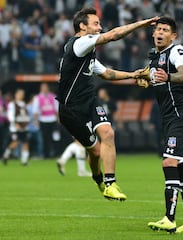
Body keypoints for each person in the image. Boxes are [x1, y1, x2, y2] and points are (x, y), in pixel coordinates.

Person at [56, 7, 159, 201]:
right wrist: (140, 24)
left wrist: (133, 75)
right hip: (71, 110)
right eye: (96, 24)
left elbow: (107, 74)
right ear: (82, 26)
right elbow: (112, 36)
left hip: (89, 101)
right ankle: (98, 179)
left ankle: (111, 183)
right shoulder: (79, 44)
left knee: (108, 133)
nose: (100, 27)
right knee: (94, 152)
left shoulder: (87, 52)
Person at [139, 17, 183, 233]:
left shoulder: (177, 51)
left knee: (169, 163)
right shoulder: (154, 58)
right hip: (170, 118)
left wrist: (168, 78)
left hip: (181, 117)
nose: (159, 32)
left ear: (173, 36)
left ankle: (169, 217)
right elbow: (153, 78)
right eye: (157, 29)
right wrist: (145, 79)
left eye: (165, 30)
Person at [2, 89, 30, 166]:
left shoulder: (23, 104)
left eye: (22, 94)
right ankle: (5, 155)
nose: (21, 95)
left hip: (24, 127)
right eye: (20, 94)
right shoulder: (12, 104)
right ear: (16, 95)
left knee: (25, 143)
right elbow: (10, 115)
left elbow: (26, 115)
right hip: (15, 128)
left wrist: (27, 122)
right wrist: (14, 123)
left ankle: (24, 161)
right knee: (15, 143)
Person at [32, 83, 57, 159]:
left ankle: (53, 153)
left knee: (53, 137)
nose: (44, 89)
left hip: (52, 119)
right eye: (43, 87)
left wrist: (58, 119)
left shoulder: (53, 96)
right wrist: (35, 120)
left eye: (45, 87)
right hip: (43, 119)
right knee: (44, 137)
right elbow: (35, 110)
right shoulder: (37, 97)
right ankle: (46, 154)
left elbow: (56, 108)